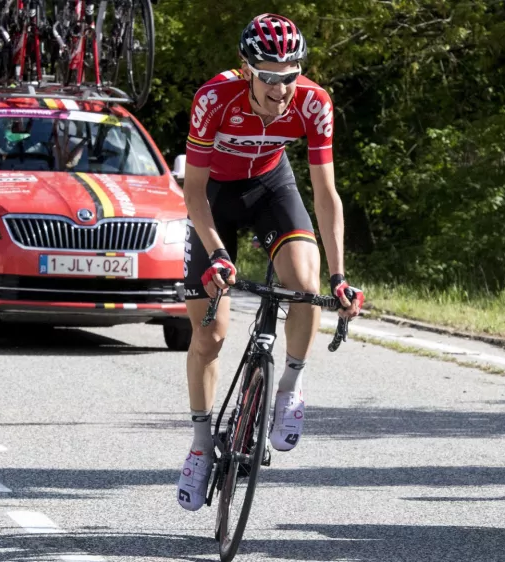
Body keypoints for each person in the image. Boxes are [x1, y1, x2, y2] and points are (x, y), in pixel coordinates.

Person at [176, 13, 364, 512]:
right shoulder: (214, 98)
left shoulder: (314, 101)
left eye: (291, 74)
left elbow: (325, 195)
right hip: (215, 196)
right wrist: (217, 252)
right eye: (270, 75)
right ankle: (199, 443)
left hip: (270, 186)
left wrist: (340, 276)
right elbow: (192, 192)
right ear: (246, 69)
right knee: (210, 335)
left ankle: (290, 386)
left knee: (305, 285)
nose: (282, 87)